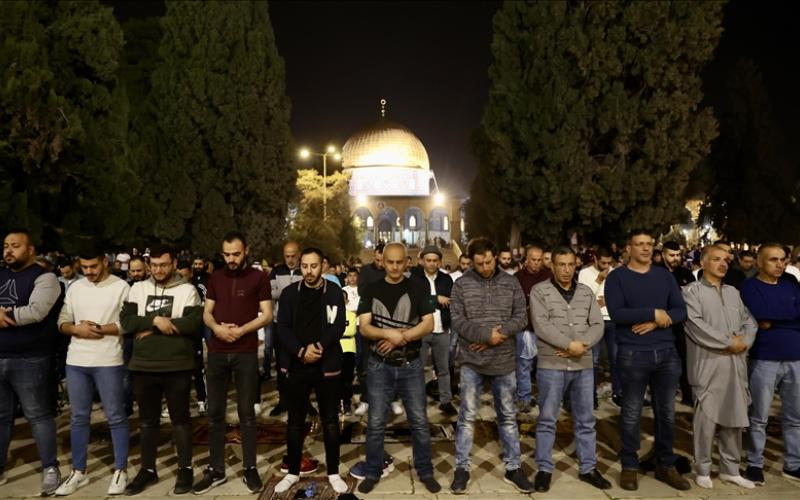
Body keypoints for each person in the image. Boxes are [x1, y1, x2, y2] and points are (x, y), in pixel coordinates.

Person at [604, 229, 690, 491]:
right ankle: (629, 466)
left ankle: (665, 464)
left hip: (666, 353)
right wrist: (654, 313)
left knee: (667, 413)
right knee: (631, 412)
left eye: (649, 244)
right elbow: (617, 313)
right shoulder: (617, 277)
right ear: (628, 248)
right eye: (639, 244)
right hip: (633, 353)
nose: (645, 248)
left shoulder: (664, 276)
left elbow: (681, 310)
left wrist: (657, 321)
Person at [449, 237, 533, 494]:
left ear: (495, 257)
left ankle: (514, 467)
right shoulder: (462, 284)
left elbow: (521, 316)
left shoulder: (511, 282)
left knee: (507, 416)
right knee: (467, 417)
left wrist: (499, 335)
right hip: (471, 361)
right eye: (479, 264)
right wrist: (486, 336)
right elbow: (457, 319)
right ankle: (462, 468)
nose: (484, 268)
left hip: (504, 361)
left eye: (488, 262)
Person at [355, 243, 441, 494]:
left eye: (399, 262)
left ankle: (425, 471)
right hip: (379, 365)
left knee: (419, 421)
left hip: (411, 363)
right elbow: (364, 327)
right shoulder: (371, 289)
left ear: (407, 262)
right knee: (375, 422)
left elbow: (428, 324)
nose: (394, 267)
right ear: (383, 262)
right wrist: (387, 334)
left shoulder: (418, 287)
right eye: (390, 262)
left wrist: (400, 337)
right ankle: (373, 471)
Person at [120, 245, 203, 495]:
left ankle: (185, 468)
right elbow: (127, 322)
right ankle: (148, 469)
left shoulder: (188, 290)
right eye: (154, 265)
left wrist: (149, 329)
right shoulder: (138, 289)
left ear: (174, 263)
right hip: (143, 365)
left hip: (177, 364)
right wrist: (156, 321)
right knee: (147, 422)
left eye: (164, 265)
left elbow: (192, 324)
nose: (158, 270)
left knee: (180, 420)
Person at [195, 232, 272, 494]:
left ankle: (249, 468)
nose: (231, 259)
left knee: (246, 413)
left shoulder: (259, 277)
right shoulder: (215, 278)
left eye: (236, 254)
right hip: (217, 352)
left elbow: (267, 315)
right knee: (215, 413)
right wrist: (217, 328)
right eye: (227, 254)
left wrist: (241, 331)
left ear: (246, 251)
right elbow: (206, 313)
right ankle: (216, 470)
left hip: (245, 352)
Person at [530, 247, 611, 493]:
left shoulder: (585, 292)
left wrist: (581, 345)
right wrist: (568, 345)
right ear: (552, 266)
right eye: (561, 264)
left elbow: (597, 324)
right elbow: (541, 325)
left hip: (583, 365)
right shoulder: (540, 291)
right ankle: (544, 469)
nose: (566, 270)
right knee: (547, 419)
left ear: (576, 266)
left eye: (570, 265)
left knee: (586, 419)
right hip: (551, 365)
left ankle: (588, 468)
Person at [55, 247, 131, 496]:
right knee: (78, 417)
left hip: (108, 360)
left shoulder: (121, 287)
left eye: (93, 266)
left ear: (104, 262)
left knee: (116, 416)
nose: (89, 272)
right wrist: (75, 329)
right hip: (76, 360)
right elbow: (63, 320)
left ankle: (121, 470)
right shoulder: (76, 287)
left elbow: (128, 323)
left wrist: (99, 329)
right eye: (84, 267)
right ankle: (79, 471)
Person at [274, 248, 348, 494]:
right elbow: (282, 328)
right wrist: (300, 351)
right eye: (304, 266)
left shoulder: (334, 291)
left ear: (322, 265)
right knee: (295, 422)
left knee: (330, 420)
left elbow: (338, 325)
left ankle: (334, 472)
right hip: (297, 366)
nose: (308, 271)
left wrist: (318, 347)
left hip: (326, 366)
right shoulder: (289, 293)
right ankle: (293, 472)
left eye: (313, 266)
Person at [682, 245, 757, 490]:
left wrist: (744, 342)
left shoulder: (733, 292)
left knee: (735, 416)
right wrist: (728, 342)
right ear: (703, 263)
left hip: (736, 363)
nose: (723, 264)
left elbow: (749, 322)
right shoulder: (691, 292)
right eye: (716, 259)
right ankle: (703, 468)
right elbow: (695, 326)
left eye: (726, 260)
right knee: (707, 419)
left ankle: (730, 469)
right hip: (708, 364)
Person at [0, 229, 62, 495]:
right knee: (1, 416)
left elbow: (36, 312)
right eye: (6, 245)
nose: (8, 250)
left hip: (30, 358)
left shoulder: (45, 277)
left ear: (30, 249)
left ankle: (50, 468)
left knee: (37, 415)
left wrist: (6, 315)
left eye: (15, 246)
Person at [741, 243, 800, 485]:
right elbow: (758, 312)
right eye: (773, 259)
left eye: (783, 260)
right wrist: (788, 318)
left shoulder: (791, 286)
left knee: (795, 417)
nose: (780, 264)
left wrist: (774, 321)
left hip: (795, 357)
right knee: (759, 417)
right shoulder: (749, 287)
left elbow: (777, 316)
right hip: (764, 358)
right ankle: (755, 464)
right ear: (759, 262)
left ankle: (793, 464)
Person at [411, 245, 456, 415]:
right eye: (428, 260)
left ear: (440, 262)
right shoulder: (415, 278)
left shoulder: (446, 279)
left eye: (434, 260)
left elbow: (451, 300)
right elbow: (415, 301)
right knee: (418, 369)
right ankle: (418, 402)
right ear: (422, 261)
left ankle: (446, 401)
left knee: (443, 368)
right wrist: (436, 298)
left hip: (442, 329)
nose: (431, 263)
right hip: (421, 329)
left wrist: (431, 300)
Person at [577, 246, 621, 407]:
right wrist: (599, 280)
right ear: (595, 259)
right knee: (593, 360)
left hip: (612, 320)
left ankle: (618, 393)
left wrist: (609, 300)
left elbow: (620, 295)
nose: (606, 266)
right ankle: (591, 396)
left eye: (609, 263)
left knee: (616, 358)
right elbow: (584, 298)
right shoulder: (585, 273)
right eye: (603, 263)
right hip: (594, 321)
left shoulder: (615, 272)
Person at [514, 244, 552, 412]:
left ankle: (544, 398)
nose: (537, 263)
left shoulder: (549, 276)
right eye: (533, 260)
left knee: (545, 365)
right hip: (525, 328)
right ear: (527, 260)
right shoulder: (517, 278)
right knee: (524, 364)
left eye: (539, 260)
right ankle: (524, 397)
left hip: (545, 328)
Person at [265, 241, 302, 411]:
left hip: (300, 324)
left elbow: (307, 292)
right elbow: (270, 293)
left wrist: (284, 291)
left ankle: (303, 401)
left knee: (301, 364)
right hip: (280, 324)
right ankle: (283, 400)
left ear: (299, 254)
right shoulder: (277, 271)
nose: (290, 259)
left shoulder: (304, 270)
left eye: (293, 256)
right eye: (287, 256)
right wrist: (293, 290)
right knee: (281, 363)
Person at [660, 241, 695, 406]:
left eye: (677, 255)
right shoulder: (655, 272)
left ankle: (687, 394)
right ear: (663, 255)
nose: (675, 258)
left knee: (685, 360)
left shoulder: (686, 274)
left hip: (682, 324)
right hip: (661, 324)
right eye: (671, 255)